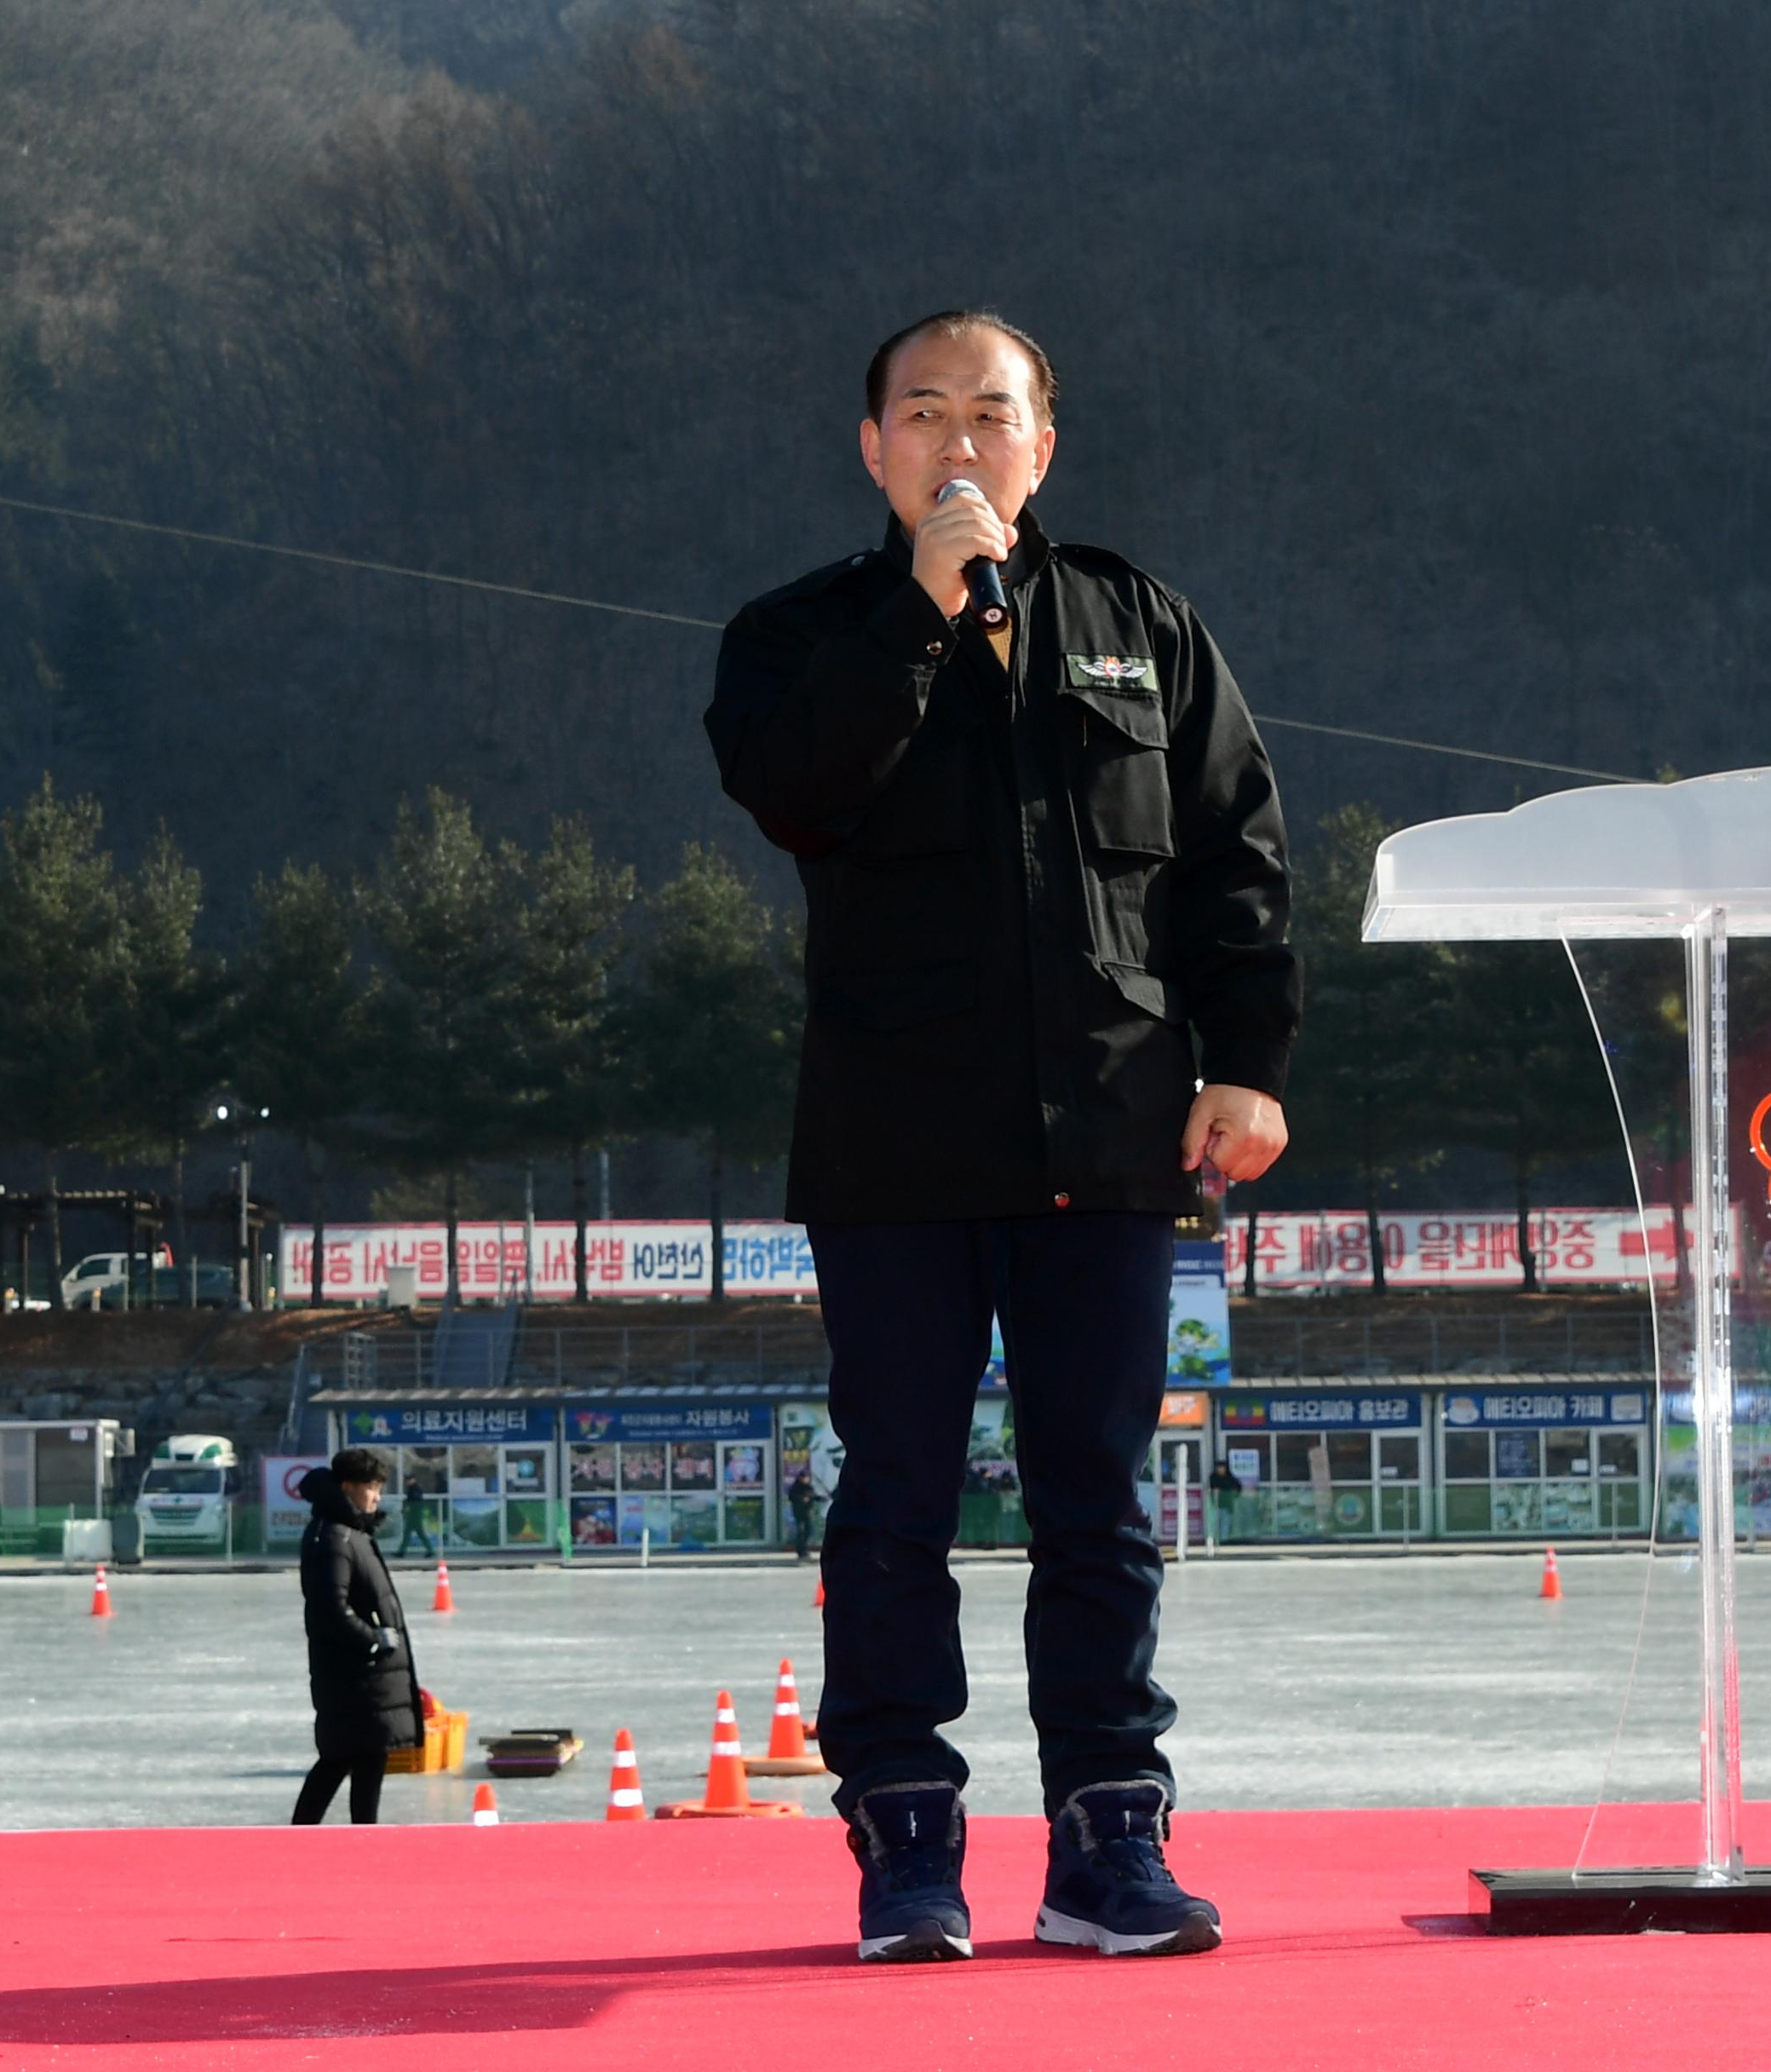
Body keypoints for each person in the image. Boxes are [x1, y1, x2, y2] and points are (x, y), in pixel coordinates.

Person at [704, 309, 1297, 1964]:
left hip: (1107, 1138)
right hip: (893, 1146)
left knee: (1094, 1498)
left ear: (1047, 445)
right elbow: (799, 789)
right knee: (894, 1496)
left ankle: (1111, 1838)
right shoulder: (797, 636)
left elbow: (1235, 859)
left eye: (994, 413)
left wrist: (1245, 1062)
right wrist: (921, 614)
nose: (961, 441)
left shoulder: (1141, 627)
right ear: (876, 450)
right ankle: (908, 1840)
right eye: (924, 413)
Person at [291, 1450, 421, 1825]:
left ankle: (364, 1835)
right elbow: (330, 1608)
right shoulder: (334, 1537)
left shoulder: (351, 1533)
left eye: (380, 1487)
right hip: (352, 1675)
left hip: (367, 1678)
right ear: (348, 1488)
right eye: (371, 1487)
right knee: (339, 1759)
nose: (377, 1496)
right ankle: (301, 1836)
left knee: (367, 1757)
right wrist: (374, 1639)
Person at [396, 1472, 439, 1559]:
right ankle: (429, 1550)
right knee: (415, 1533)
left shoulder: (414, 1489)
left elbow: (414, 1501)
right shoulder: (414, 1488)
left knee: (411, 1533)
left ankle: (402, 1552)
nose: (407, 1482)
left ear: (413, 1480)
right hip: (415, 1514)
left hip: (414, 1515)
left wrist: (406, 1509)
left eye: (408, 1480)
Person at [785, 1465, 819, 1563]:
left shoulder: (809, 1487)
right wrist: (801, 1499)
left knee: (808, 1530)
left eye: (807, 1477)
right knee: (800, 1531)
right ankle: (801, 1550)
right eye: (803, 1477)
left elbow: (813, 1495)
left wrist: (818, 1498)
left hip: (807, 1512)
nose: (805, 1479)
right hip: (799, 1512)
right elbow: (792, 1497)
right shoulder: (795, 1487)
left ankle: (805, 1548)